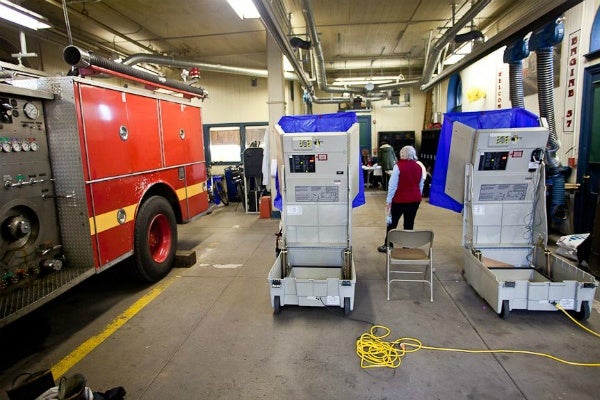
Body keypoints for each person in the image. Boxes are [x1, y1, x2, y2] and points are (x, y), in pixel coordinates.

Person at [377, 145, 426, 253]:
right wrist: (419, 196)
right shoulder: (419, 167)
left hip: (399, 200)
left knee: (392, 223)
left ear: (401, 154)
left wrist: (388, 200)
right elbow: (421, 184)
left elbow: (392, 185)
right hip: (414, 200)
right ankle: (407, 245)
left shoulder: (398, 166)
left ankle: (388, 245)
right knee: (409, 222)